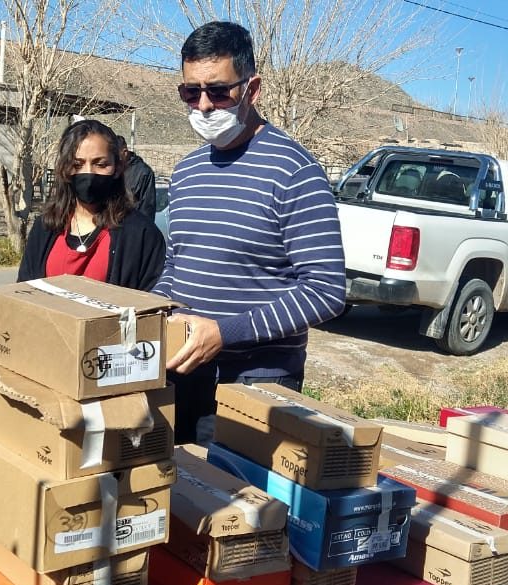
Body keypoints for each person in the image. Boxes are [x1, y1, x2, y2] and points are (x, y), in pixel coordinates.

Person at [153, 22, 346, 444]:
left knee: (235, 507)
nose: (203, 105)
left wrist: (226, 332)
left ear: (252, 89)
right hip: (178, 375)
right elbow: (177, 264)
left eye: (218, 91)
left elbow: (326, 289)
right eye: (191, 92)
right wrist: (154, 307)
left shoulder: (295, 171)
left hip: (254, 385)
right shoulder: (186, 172)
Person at [18, 120, 165, 291]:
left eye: (100, 164)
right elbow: (23, 296)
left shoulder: (142, 235)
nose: (88, 173)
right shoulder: (45, 228)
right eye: (77, 165)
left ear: (117, 168)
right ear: (64, 170)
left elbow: (151, 306)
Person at [116, 135, 157, 220]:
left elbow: (147, 208)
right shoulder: (110, 168)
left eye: (117, 157)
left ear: (125, 152)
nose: (114, 160)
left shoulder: (144, 173)